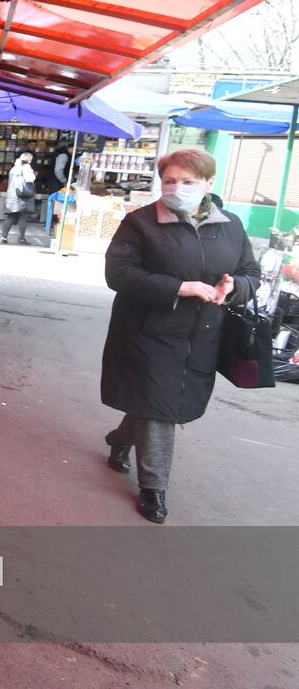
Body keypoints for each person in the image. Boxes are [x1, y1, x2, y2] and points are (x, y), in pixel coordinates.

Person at [100, 149, 261, 524]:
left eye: (188, 182)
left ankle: (121, 440)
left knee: (156, 402)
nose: (177, 188)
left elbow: (251, 272)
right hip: (147, 332)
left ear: (208, 184)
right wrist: (179, 287)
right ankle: (154, 488)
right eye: (170, 180)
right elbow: (118, 274)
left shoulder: (231, 226)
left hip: (202, 334)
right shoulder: (140, 223)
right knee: (160, 407)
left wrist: (235, 285)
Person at [1, 152, 36, 244]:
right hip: (23, 196)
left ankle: (3, 238)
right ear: (29, 160)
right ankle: (21, 239)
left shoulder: (14, 168)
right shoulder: (26, 167)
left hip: (12, 195)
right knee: (23, 217)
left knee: (11, 217)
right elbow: (30, 178)